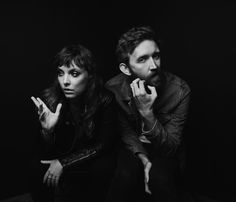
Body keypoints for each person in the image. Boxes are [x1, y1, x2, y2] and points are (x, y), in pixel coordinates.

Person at [105, 26, 191, 202]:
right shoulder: (113, 89)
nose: (154, 66)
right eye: (143, 59)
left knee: (160, 179)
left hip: (164, 147)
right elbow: (125, 132)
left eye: (156, 56)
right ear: (126, 69)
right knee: (124, 176)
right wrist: (144, 160)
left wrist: (147, 112)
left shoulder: (180, 91)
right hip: (133, 145)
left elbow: (171, 147)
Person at [30, 44, 118, 202]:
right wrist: (47, 131)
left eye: (74, 73)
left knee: (103, 168)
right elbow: (44, 150)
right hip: (65, 152)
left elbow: (104, 144)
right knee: (36, 167)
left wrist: (64, 163)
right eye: (60, 73)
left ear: (90, 75)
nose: (65, 81)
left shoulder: (105, 99)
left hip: (92, 157)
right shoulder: (51, 99)